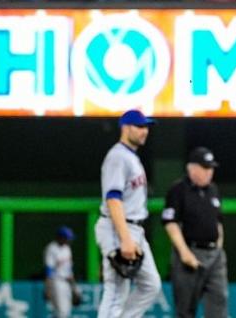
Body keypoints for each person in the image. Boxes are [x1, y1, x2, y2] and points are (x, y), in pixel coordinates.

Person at [94, 109, 162, 317]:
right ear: (125, 128)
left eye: (146, 127)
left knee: (151, 285)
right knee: (115, 294)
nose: (145, 131)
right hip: (119, 227)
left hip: (134, 229)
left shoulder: (130, 157)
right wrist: (124, 239)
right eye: (140, 126)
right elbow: (113, 199)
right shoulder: (118, 157)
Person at [161, 146, 229, 318]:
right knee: (186, 308)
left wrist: (219, 247)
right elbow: (170, 222)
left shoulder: (213, 190)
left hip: (215, 255)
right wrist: (184, 252)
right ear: (191, 167)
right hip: (190, 254)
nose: (209, 172)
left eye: (211, 168)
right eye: (205, 168)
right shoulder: (178, 190)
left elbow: (218, 221)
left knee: (219, 301)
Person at [44, 226, 80, 318]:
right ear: (60, 237)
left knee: (66, 311)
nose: (69, 240)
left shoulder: (67, 249)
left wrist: (74, 289)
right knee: (61, 311)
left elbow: (69, 271)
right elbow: (48, 270)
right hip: (56, 281)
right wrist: (47, 288)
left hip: (67, 282)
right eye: (67, 238)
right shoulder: (51, 248)